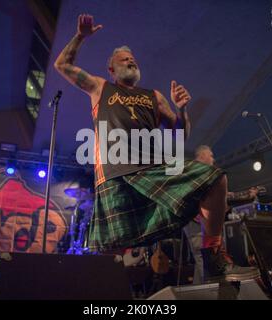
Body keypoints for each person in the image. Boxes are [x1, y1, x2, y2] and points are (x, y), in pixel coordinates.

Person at [54, 14, 258, 282]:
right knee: (109, 250)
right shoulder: (100, 87)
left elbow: (179, 135)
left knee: (216, 179)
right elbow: (62, 64)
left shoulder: (154, 97)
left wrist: (181, 110)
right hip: (115, 173)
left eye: (133, 58)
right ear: (111, 70)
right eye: (123, 59)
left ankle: (213, 257)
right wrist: (81, 36)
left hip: (153, 170)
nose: (131, 60)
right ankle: (88, 293)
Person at [183, 145, 259, 283]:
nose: (213, 158)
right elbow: (218, 197)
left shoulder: (199, 173)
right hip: (198, 225)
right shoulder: (196, 172)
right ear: (201, 156)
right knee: (209, 269)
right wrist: (247, 195)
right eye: (211, 155)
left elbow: (221, 197)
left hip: (200, 224)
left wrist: (247, 195)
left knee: (202, 268)